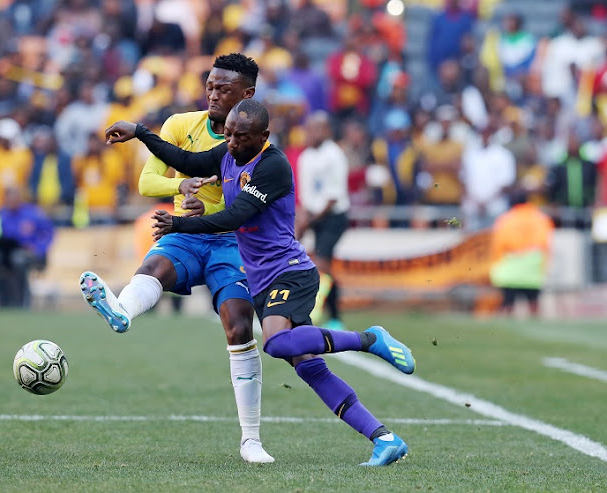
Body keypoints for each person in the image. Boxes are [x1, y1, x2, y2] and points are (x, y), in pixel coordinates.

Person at [104, 99, 415, 466]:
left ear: (263, 136)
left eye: (241, 137)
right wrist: (140, 133)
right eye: (229, 135)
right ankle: (384, 438)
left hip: (290, 271)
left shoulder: (273, 166)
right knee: (308, 366)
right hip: (263, 279)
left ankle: (369, 338)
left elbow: (236, 215)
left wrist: (179, 224)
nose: (231, 142)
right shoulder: (228, 154)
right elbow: (185, 161)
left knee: (277, 342)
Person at [79, 54, 273, 464]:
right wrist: (183, 185)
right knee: (153, 268)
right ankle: (122, 313)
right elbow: (148, 180)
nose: (212, 93)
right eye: (209, 85)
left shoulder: (256, 144)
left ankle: (251, 440)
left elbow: (243, 205)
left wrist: (210, 209)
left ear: (247, 94)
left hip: (230, 241)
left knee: (239, 326)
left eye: (223, 88)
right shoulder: (181, 125)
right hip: (183, 232)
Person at [295, 112, 350, 330]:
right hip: (314, 217)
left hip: (334, 216)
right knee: (318, 265)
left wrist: (309, 221)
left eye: (316, 129)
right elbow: (306, 196)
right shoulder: (305, 157)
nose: (311, 133)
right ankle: (332, 315)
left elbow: (332, 198)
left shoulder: (334, 154)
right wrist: (302, 220)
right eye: (308, 129)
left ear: (326, 130)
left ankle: (321, 314)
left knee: (323, 265)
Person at [0, 187, 54, 308]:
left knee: (18, 260)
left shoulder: (32, 214)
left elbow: (49, 233)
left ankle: (22, 302)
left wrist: (38, 248)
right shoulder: (2, 215)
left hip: (29, 255)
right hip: (7, 253)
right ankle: (3, 302)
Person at [490, 192, 555, 317]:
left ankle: (506, 328)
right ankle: (537, 325)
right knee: (533, 303)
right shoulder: (540, 217)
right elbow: (545, 242)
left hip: (510, 265)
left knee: (508, 303)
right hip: (533, 265)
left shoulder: (506, 218)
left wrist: (496, 263)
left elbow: (498, 243)